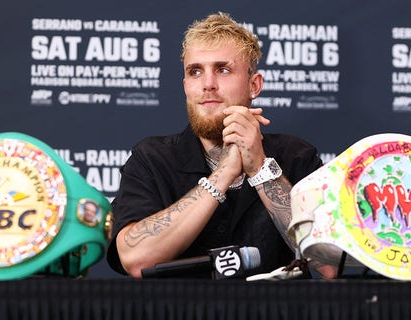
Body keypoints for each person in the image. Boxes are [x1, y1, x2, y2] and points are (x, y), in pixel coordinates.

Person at [106, 12, 336, 279]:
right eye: (195, 72)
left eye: (223, 69)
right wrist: (222, 175)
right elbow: (134, 259)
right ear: (185, 86)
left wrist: (260, 169)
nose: (208, 85)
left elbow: (328, 265)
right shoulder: (151, 159)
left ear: (254, 85)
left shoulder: (297, 157)